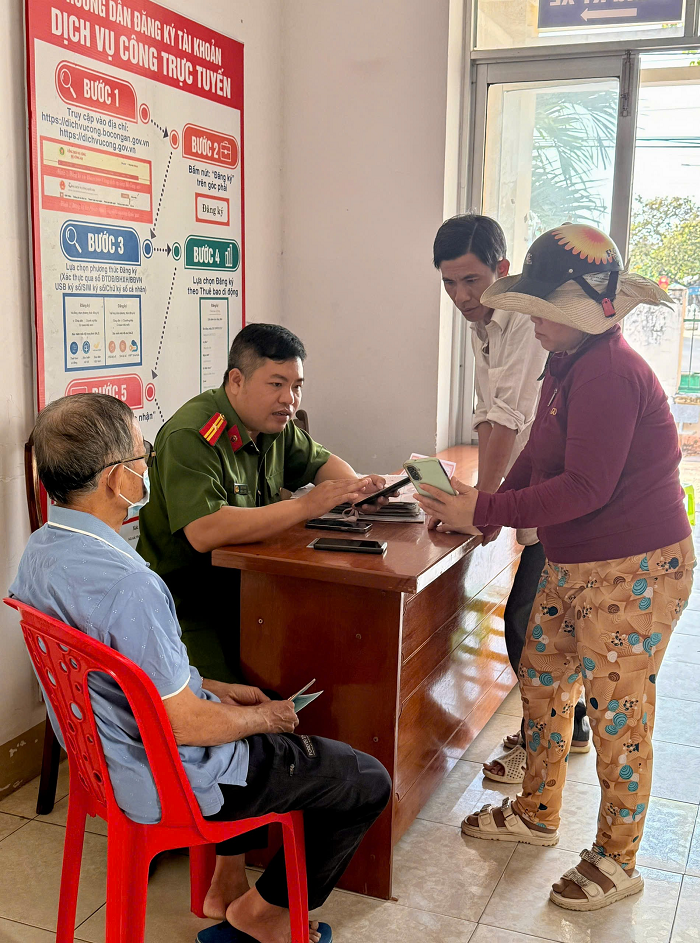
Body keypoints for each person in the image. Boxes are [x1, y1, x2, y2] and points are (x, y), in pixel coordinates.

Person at [10, 393, 391, 943]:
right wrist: (267, 718)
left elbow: (124, 674)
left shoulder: (40, 552)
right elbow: (184, 724)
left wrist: (209, 686)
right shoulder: (132, 585)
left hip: (99, 763)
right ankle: (262, 916)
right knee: (364, 780)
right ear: (116, 480)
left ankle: (228, 889)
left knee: (243, 708)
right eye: (142, 457)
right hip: (167, 777)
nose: (148, 467)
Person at [414, 224, 695, 911]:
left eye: (543, 310)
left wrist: (487, 507)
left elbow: (584, 488)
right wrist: (482, 513)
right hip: (575, 564)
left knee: (617, 717)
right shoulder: (567, 363)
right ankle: (537, 810)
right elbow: (540, 454)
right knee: (542, 683)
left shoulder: (610, 373)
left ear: (583, 312)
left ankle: (618, 858)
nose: (532, 321)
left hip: (634, 570)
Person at [138, 323, 387, 683]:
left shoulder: (273, 425)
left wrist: (356, 490)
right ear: (236, 380)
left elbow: (322, 463)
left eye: (297, 386)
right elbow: (204, 531)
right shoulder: (193, 434)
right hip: (189, 605)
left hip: (257, 589)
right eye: (276, 384)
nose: (290, 399)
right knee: (238, 698)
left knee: (330, 655)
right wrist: (306, 506)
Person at [433, 215, 589, 785]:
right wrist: (485, 499)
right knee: (540, 622)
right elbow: (494, 415)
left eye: (471, 281)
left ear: (503, 270)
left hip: (564, 500)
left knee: (531, 623)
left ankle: (547, 744)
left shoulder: (528, 324)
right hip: (538, 489)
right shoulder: (488, 324)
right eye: (449, 284)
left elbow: (509, 417)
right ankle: (565, 731)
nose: (460, 296)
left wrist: (485, 505)